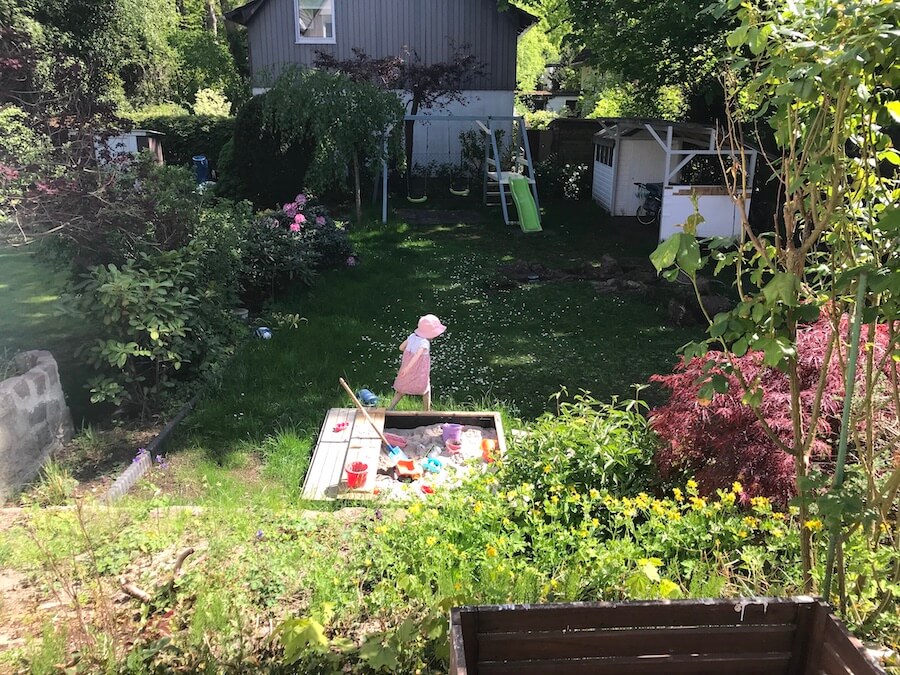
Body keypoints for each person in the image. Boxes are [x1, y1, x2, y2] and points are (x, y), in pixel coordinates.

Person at [389, 314, 446, 411]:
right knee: (426, 389)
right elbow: (417, 356)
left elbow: (401, 347)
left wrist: (406, 365)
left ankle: (390, 408)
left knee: (401, 389)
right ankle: (426, 410)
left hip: (406, 369)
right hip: (419, 371)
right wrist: (408, 368)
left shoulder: (411, 336)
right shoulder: (424, 343)